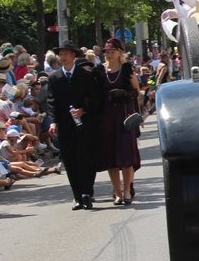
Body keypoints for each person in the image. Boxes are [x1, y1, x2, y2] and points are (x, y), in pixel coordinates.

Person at [46, 40, 103, 210]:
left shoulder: (85, 75)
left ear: (73, 56)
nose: (62, 57)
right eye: (60, 54)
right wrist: (54, 122)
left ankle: (87, 193)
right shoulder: (54, 78)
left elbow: (95, 98)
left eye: (66, 54)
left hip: (84, 125)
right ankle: (77, 195)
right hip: (65, 125)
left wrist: (83, 110)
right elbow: (51, 102)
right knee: (70, 160)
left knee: (85, 158)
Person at [94, 38, 142, 206]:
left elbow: (136, 92)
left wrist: (125, 94)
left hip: (124, 116)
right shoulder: (100, 71)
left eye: (112, 51)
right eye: (107, 51)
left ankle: (128, 190)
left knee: (126, 155)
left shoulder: (127, 69)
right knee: (111, 157)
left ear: (120, 52)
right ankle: (117, 192)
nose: (109, 54)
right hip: (107, 118)